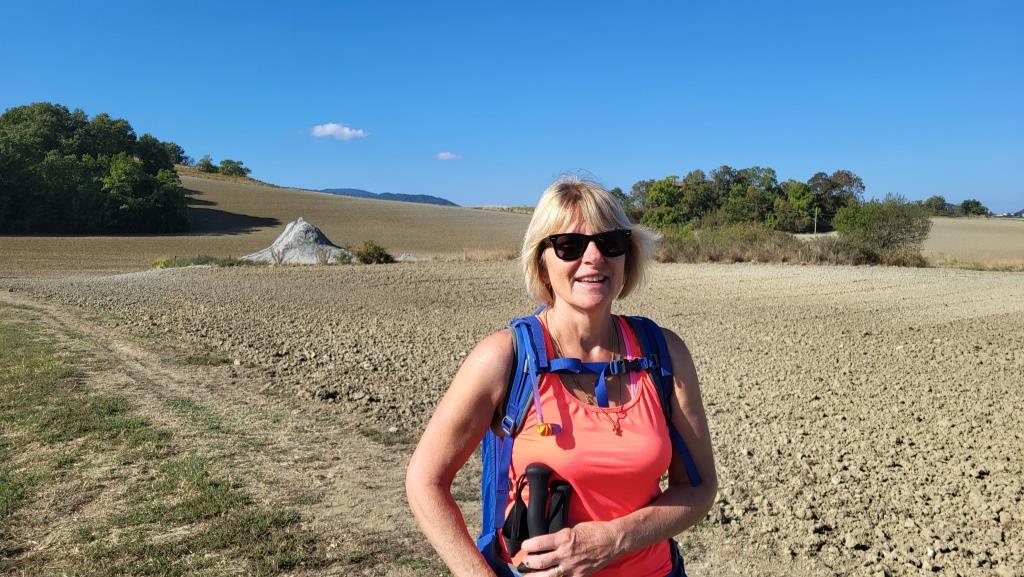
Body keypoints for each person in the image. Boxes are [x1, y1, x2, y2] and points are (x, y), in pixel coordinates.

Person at [406, 176, 718, 577]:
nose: (594, 257)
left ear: (627, 255)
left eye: (610, 242)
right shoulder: (505, 359)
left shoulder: (663, 354)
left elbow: (699, 487)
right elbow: (425, 482)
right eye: (569, 245)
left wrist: (613, 541)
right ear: (542, 262)